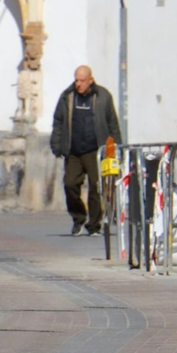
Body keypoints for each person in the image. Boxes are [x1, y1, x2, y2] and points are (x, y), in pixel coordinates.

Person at [49, 65, 121, 236]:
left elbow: (112, 123)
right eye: (76, 80)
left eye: (82, 80)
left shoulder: (102, 96)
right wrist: (56, 144)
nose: (78, 84)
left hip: (95, 151)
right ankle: (78, 218)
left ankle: (94, 225)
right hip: (73, 150)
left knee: (97, 188)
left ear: (90, 80)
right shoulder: (68, 96)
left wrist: (117, 146)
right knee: (70, 184)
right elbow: (58, 121)